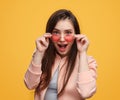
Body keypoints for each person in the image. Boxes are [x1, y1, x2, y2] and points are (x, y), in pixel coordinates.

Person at [24, 9, 97, 100]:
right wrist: (39, 52)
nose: (62, 39)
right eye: (56, 32)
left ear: (76, 35)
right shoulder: (42, 56)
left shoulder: (87, 62)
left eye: (68, 33)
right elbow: (30, 84)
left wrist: (82, 53)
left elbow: (86, 92)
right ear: (49, 35)